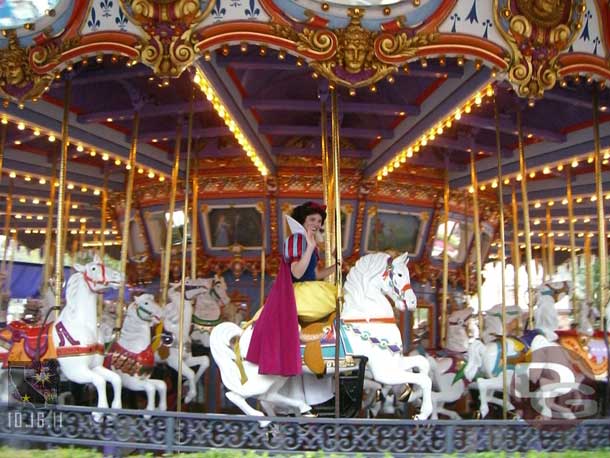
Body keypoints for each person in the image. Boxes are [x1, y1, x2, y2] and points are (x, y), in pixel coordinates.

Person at [245, 202, 337, 376]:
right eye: (312, 219)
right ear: (302, 220)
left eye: (319, 220)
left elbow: (315, 274)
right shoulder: (297, 240)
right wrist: (309, 248)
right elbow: (297, 271)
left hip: (311, 286)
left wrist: (336, 267)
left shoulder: (310, 242)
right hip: (299, 290)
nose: (316, 224)